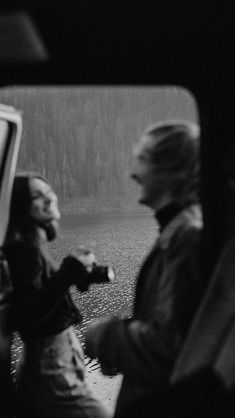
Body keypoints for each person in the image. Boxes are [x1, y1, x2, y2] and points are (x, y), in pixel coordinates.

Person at [84, 120, 205, 417]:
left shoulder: (186, 237)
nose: (132, 174)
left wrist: (105, 336)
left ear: (169, 170)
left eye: (142, 161)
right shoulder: (179, 230)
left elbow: (170, 347)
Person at [3, 172, 111, 418]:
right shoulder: (24, 250)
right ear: (21, 206)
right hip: (50, 366)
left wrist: (74, 274)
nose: (48, 198)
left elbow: (41, 295)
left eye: (48, 192)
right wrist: (70, 270)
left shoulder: (32, 245)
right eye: (37, 196)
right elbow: (27, 316)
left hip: (56, 362)